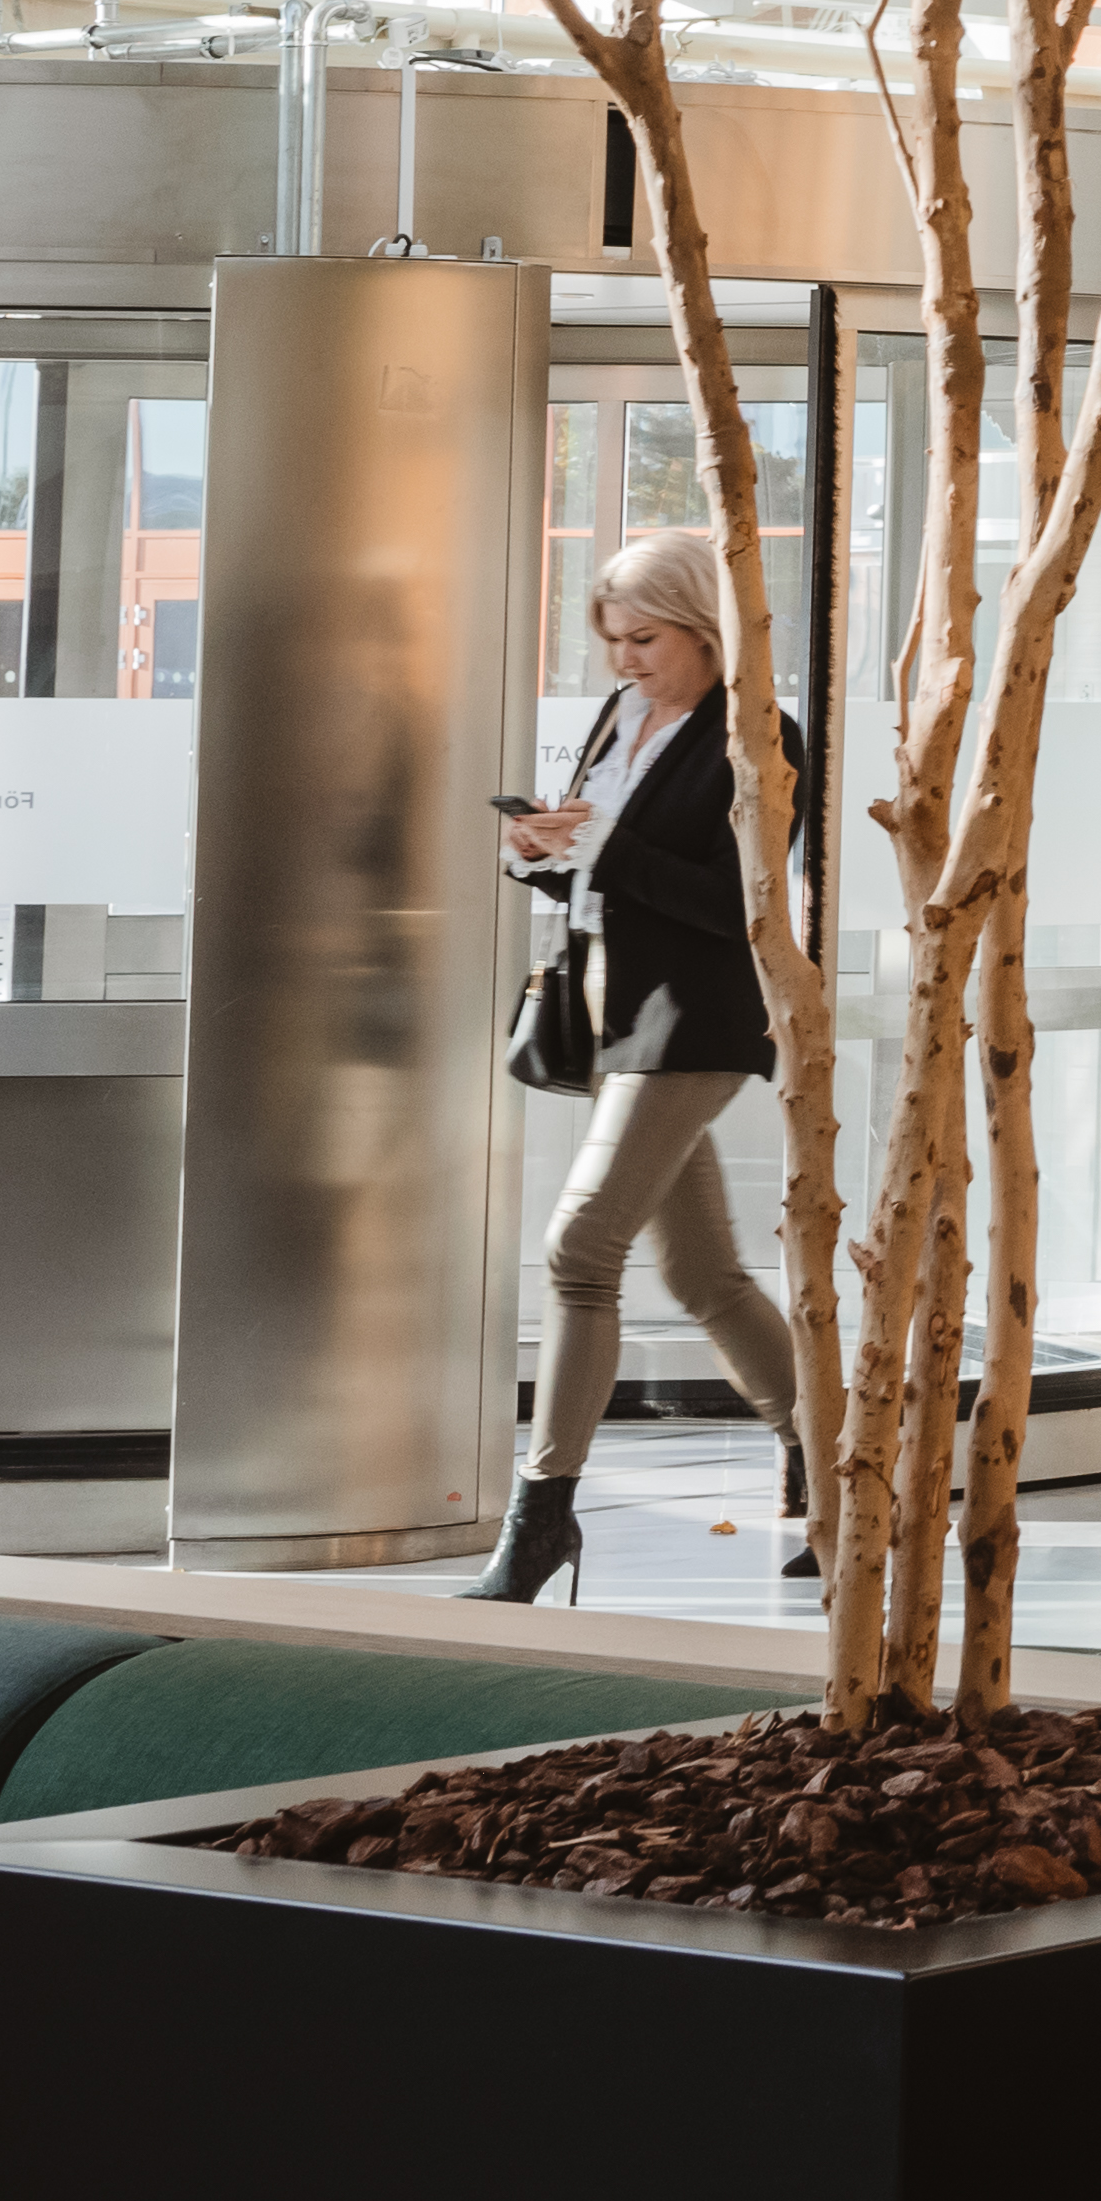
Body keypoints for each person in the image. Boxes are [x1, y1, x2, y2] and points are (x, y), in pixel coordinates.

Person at [470, 526, 810, 1607]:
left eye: (644, 638)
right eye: (612, 638)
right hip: (614, 1013)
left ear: (708, 631)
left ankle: (541, 1515)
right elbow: (601, 870)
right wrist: (539, 854)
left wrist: (607, 846)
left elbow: (736, 905)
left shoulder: (761, 737)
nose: (622, 659)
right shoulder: (619, 718)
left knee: (581, 1247)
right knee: (702, 1273)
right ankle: (843, 1461)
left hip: (697, 1020)